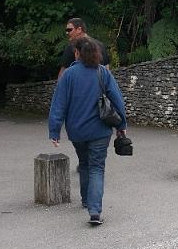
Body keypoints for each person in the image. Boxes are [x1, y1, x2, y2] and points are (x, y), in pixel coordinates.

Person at [49, 37, 127, 225]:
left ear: (77, 53)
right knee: (97, 168)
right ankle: (94, 210)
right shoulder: (102, 73)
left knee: (84, 163)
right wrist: (121, 126)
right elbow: (117, 100)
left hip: (77, 131)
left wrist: (54, 130)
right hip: (100, 131)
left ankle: (86, 200)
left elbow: (58, 104)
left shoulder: (68, 75)